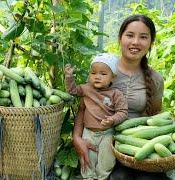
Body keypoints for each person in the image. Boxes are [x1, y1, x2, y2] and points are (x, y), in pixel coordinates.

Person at [71, 14, 168, 180]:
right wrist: (77, 139)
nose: (135, 42)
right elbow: (83, 108)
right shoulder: (102, 71)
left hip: (136, 146)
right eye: (130, 35)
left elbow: (156, 116)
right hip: (105, 144)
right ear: (120, 38)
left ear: (151, 43)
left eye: (143, 37)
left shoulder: (155, 79)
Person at [64, 53, 128, 180]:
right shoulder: (86, 88)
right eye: (93, 73)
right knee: (88, 158)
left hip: (107, 133)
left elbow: (123, 112)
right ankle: (88, 177)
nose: (97, 77)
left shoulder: (116, 94)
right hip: (88, 132)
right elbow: (72, 91)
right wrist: (69, 77)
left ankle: (102, 177)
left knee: (107, 159)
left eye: (103, 74)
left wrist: (113, 120)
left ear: (113, 78)